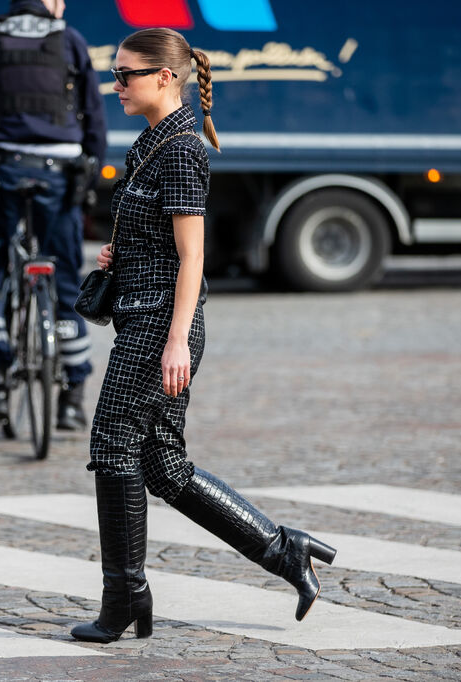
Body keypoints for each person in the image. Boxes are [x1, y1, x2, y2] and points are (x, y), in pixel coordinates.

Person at [70, 28, 337, 644]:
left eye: (126, 74)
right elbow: (163, 240)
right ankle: (281, 550)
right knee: (160, 464)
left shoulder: (182, 150)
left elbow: (193, 259)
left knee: (113, 445)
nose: (116, 85)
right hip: (141, 311)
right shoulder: (149, 145)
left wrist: (175, 341)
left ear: (165, 77)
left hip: (162, 323)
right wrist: (123, 252)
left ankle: (125, 596)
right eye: (115, 73)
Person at [0, 0, 107, 432]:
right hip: (60, 176)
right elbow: (94, 116)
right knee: (67, 282)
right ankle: (71, 397)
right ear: (51, 3)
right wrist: (90, 171)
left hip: (2, 170)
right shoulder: (70, 41)